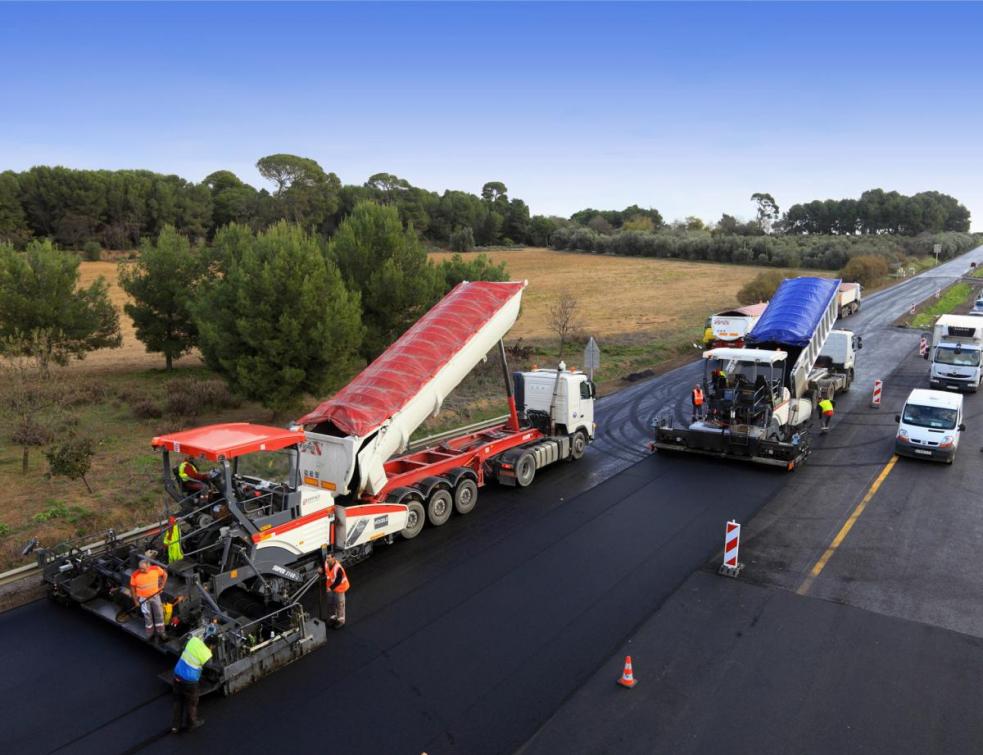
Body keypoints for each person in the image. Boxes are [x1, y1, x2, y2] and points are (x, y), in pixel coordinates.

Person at [171, 631, 216, 733]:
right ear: (212, 645)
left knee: (177, 701)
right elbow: (209, 667)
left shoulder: (194, 640)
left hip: (177, 674)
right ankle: (191, 724)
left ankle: (175, 726)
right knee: (191, 703)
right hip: (190, 681)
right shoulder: (207, 654)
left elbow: (183, 649)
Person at [129, 559, 167, 640]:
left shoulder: (156, 569)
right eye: (140, 568)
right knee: (147, 616)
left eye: (143, 568)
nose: (141, 570)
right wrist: (135, 601)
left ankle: (161, 632)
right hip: (143, 599)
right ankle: (150, 633)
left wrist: (162, 586)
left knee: (159, 614)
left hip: (155, 596)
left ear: (148, 567)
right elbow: (132, 589)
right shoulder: (135, 575)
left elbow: (165, 574)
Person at [323, 551, 350, 629]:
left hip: (340, 588)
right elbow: (326, 571)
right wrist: (321, 571)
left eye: (329, 558)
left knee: (340, 605)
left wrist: (331, 588)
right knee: (330, 603)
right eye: (326, 558)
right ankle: (332, 618)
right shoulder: (326, 563)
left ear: (333, 558)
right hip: (330, 587)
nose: (327, 559)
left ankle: (341, 621)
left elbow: (338, 580)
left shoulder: (338, 568)